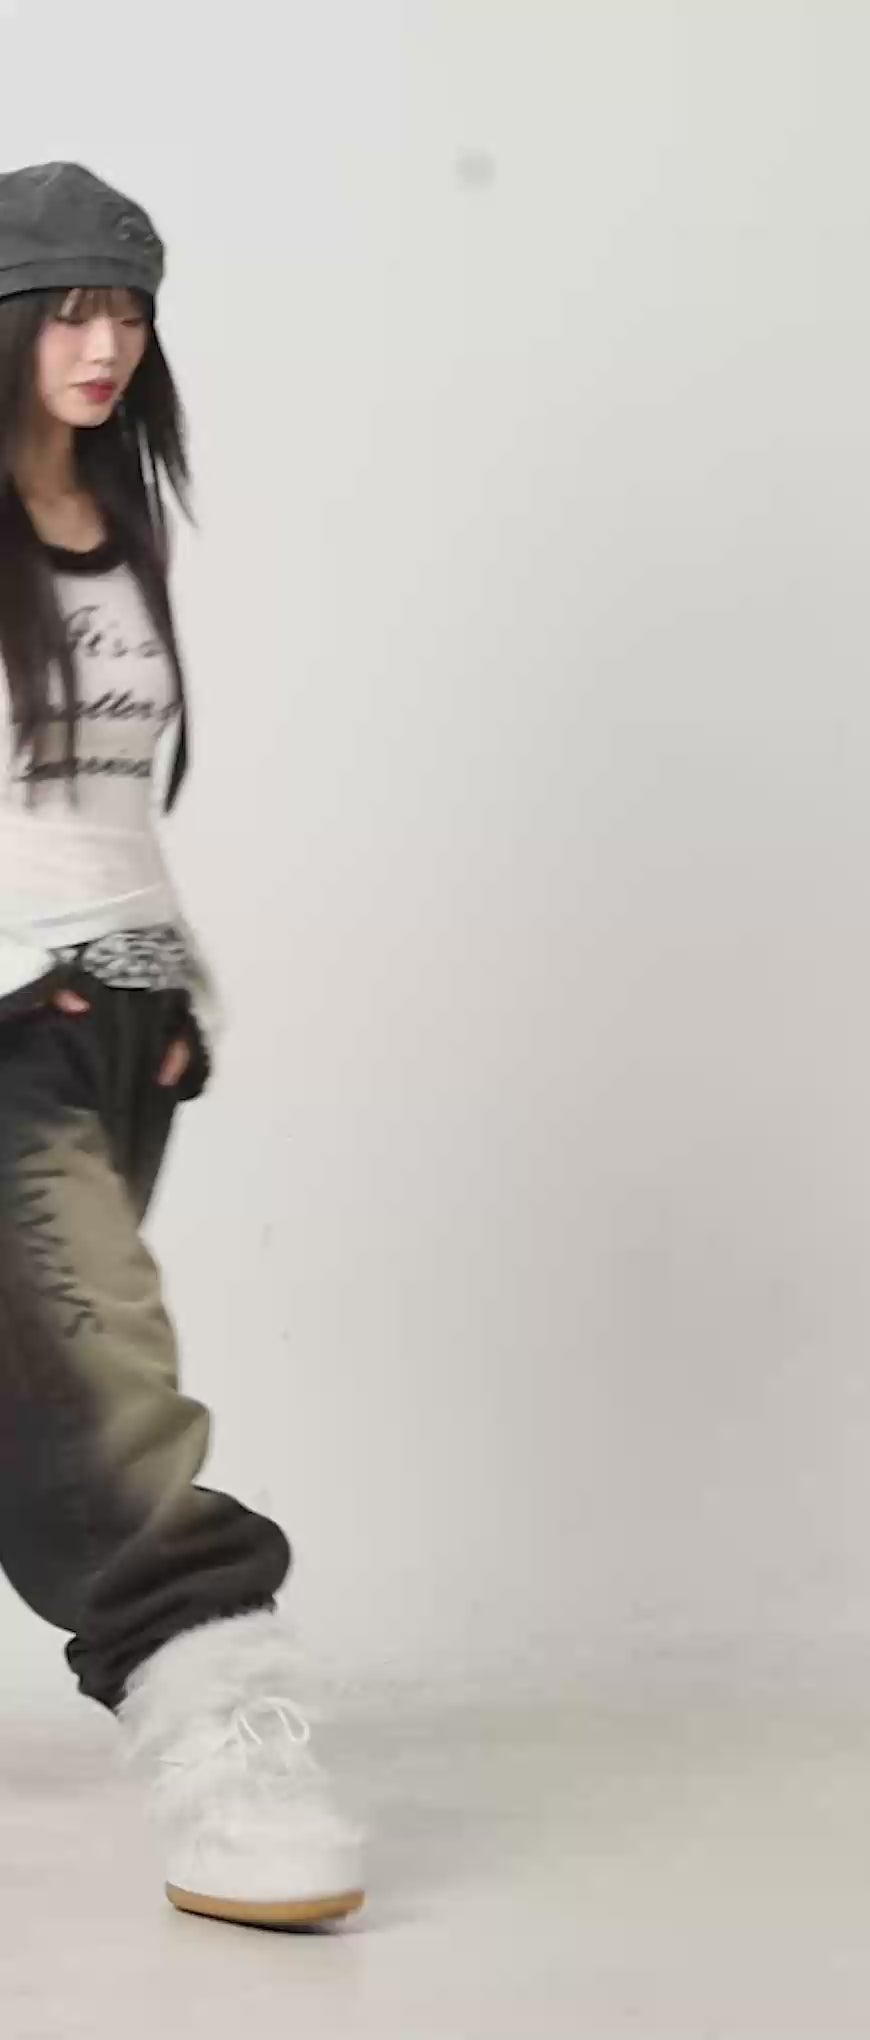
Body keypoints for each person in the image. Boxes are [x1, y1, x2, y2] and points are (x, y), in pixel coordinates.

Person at [0, 162, 363, 1929]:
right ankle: (224, 1716)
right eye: (71, 309)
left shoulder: (115, 520)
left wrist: (175, 991)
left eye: (131, 312)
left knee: (30, 1379)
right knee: (102, 1388)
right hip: (6, 1011)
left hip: (123, 1012)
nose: (106, 344)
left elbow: (103, 802)